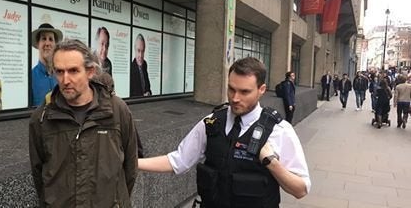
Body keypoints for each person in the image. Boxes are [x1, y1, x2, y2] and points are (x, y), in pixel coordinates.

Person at [138, 57, 310, 207]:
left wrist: (272, 163)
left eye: (244, 92)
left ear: (262, 90)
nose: (235, 98)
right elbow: (178, 160)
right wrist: (132, 162)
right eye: (231, 89)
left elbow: (300, 189)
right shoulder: (212, 123)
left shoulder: (279, 130)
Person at [29, 39, 138, 207]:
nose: (65, 80)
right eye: (59, 71)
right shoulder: (42, 117)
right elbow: (38, 174)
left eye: (73, 71)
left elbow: (131, 168)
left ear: (90, 71)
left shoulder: (116, 110)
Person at [31, 23, 63, 107]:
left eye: (51, 39)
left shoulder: (62, 75)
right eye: (44, 39)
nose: (47, 43)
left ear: (55, 45)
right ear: (38, 44)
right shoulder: (30, 77)